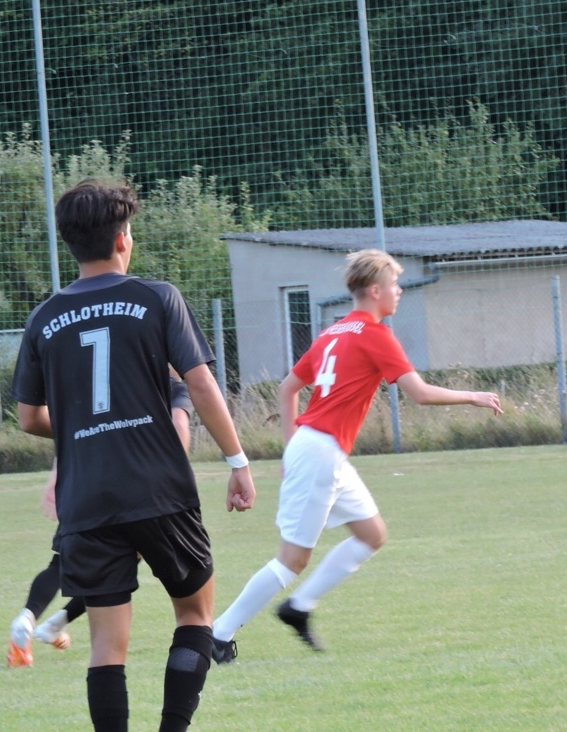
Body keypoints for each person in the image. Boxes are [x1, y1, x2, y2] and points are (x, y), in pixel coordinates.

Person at [12, 179, 255, 732]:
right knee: (194, 615)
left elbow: (29, 418)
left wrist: (85, 431)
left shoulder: (43, 319)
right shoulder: (157, 297)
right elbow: (200, 384)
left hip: (86, 498)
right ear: (123, 239)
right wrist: (237, 462)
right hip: (158, 488)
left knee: (106, 647)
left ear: (70, 243)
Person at [211, 248, 502, 661]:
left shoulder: (333, 332)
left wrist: (292, 446)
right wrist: (472, 396)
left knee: (372, 534)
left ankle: (298, 607)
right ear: (374, 291)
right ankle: (218, 633)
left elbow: (287, 388)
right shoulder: (375, 334)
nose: (399, 291)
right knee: (291, 560)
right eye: (394, 284)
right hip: (320, 453)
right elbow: (419, 393)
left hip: (320, 450)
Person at [7, 374, 195, 668]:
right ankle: (56, 625)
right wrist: (173, 477)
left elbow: (73, 428)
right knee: (118, 569)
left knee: (62, 563)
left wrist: (58, 475)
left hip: (87, 485)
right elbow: (179, 426)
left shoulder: (113, 379)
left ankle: (30, 618)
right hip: (141, 491)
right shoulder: (169, 385)